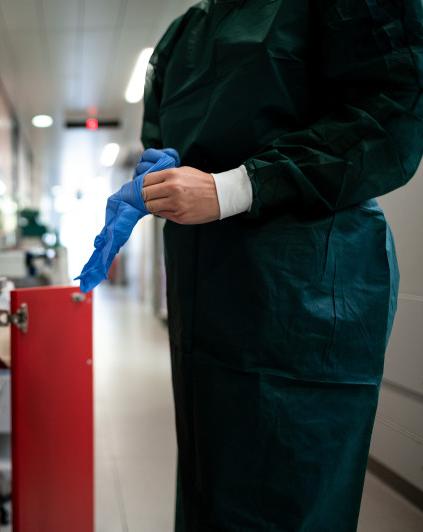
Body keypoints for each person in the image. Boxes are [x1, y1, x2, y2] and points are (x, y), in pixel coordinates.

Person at [139, 0, 423, 530]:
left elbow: (390, 113)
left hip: (301, 290)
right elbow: (161, 135)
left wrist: (236, 187)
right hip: (203, 290)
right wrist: (157, 175)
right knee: (209, 479)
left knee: (286, 489)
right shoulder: (183, 35)